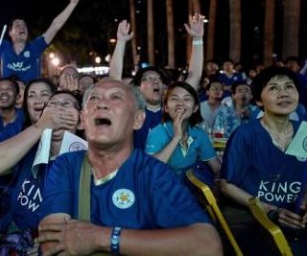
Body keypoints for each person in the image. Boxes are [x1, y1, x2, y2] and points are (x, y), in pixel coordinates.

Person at [37, 79, 222, 255]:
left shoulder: (153, 173)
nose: (101, 104)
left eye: (116, 97)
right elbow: (51, 245)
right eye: (94, 98)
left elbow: (209, 245)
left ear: (138, 120)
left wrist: (102, 237)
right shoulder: (66, 165)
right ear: (83, 120)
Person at [220, 66, 307, 255]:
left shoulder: (304, 132)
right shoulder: (246, 135)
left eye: (289, 87)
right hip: (255, 219)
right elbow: (226, 185)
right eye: (274, 88)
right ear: (259, 100)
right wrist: (270, 209)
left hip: (295, 219)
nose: (283, 93)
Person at [0, 81, 81, 253]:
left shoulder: (88, 161)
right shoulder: (29, 149)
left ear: (81, 120)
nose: (58, 110)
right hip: (15, 238)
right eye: (52, 106)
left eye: (66, 105)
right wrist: (40, 126)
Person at [109, 14, 206, 149]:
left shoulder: (173, 109)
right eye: (147, 79)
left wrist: (197, 39)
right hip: (141, 169)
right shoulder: (131, 111)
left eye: (158, 79)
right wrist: (121, 42)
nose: (155, 81)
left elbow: (194, 76)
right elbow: (114, 80)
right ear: (138, 88)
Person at [145, 82, 221, 177]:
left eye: (186, 99)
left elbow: (217, 168)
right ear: (166, 108)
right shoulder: (157, 133)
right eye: (174, 98)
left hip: (190, 188)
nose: (180, 103)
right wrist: (176, 138)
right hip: (162, 188)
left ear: (195, 108)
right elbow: (150, 170)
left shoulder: (199, 134)